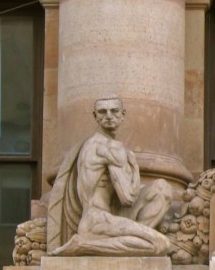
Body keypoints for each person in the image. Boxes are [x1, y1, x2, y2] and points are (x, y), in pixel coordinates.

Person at [47, 96, 171, 256]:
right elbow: (127, 198)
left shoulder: (90, 145)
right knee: (160, 244)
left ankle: (130, 239)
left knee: (162, 188)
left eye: (114, 111)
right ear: (95, 116)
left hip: (104, 217)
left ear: (122, 114)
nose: (109, 116)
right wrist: (134, 167)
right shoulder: (110, 148)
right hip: (98, 221)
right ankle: (83, 245)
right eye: (102, 112)